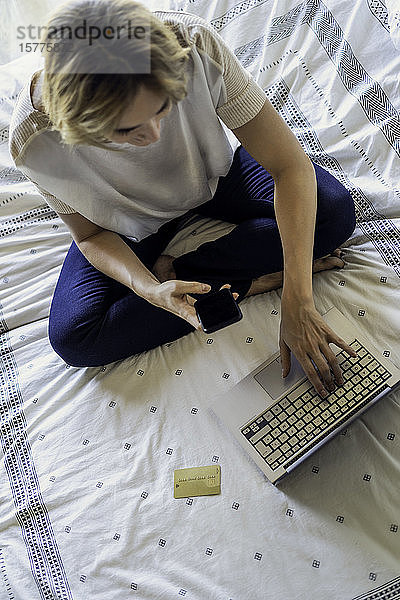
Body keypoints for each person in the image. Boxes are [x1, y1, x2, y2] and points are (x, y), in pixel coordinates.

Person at [9, 0, 357, 398]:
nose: (155, 136)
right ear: (78, 126)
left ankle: (189, 271)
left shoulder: (193, 44)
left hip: (214, 175)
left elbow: (290, 167)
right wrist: (148, 290)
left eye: (162, 108)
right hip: (125, 220)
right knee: (76, 336)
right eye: (128, 131)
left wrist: (299, 297)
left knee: (331, 212)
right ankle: (249, 281)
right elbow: (89, 238)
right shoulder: (34, 142)